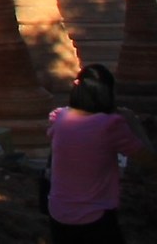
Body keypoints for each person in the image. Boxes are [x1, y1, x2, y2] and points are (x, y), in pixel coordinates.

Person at [48, 64, 151, 243]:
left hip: (58, 213)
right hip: (95, 216)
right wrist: (133, 123)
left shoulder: (60, 117)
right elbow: (148, 158)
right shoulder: (110, 125)